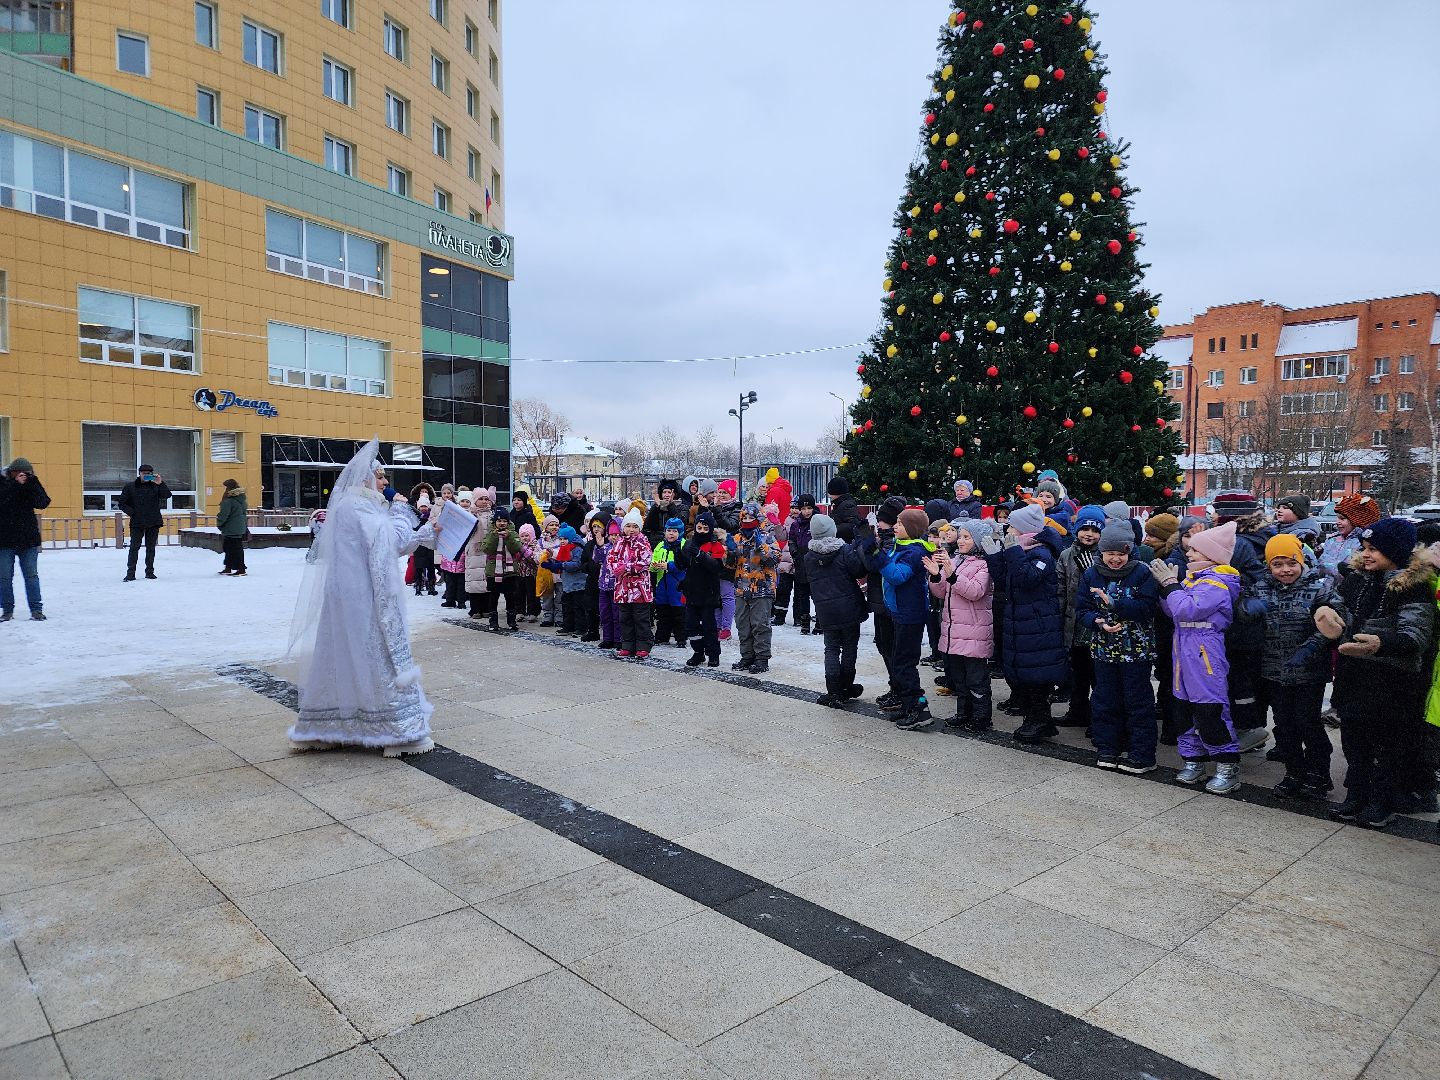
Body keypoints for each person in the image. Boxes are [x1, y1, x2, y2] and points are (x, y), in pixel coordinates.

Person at [287, 439, 436, 757]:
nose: (385, 483)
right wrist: (402, 514)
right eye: (381, 476)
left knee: (341, 656)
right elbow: (385, 545)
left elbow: (386, 546)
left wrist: (416, 534)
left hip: (349, 597)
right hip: (366, 600)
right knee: (376, 656)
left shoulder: (347, 505)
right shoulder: (359, 505)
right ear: (365, 478)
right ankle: (395, 728)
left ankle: (331, 724)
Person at [1324, 517, 1435, 829]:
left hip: (1391, 683)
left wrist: (1380, 643)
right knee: (1354, 742)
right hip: (1354, 677)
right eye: (1365, 547)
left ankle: (1382, 800)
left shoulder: (1413, 587)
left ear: (1395, 552)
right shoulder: (1358, 579)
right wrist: (1325, 616)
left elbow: (1416, 636)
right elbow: (1336, 608)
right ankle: (1356, 794)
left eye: (1375, 549)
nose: (1367, 554)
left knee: (1387, 746)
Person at [1238, 533, 1337, 800]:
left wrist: (1310, 649)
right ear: (1269, 566)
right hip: (1273, 670)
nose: (1285, 570)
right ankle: (1294, 771)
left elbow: (1332, 625)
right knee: (1284, 724)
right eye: (1277, 564)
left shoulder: (1319, 587)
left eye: (1291, 563)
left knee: (1307, 722)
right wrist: (1247, 608)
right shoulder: (1260, 587)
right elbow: (1244, 614)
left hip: (1308, 671)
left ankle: (1318, 773)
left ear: (1301, 562)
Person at [1151, 521, 1243, 794]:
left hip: (1204, 654)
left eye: (1195, 551)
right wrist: (1167, 589)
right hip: (1183, 651)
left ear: (1212, 556)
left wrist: (1170, 585)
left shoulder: (1217, 583)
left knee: (1210, 710)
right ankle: (1194, 760)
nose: (1188, 554)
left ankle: (1227, 765)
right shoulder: (1195, 580)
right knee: (1183, 709)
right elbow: (1172, 610)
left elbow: (1186, 610)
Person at [1076, 522, 1161, 772]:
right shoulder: (1091, 574)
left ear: (1129, 551)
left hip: (1136, 650)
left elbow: (1148, 607)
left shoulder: (1142, 573)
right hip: (1104, 650)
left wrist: (1115, 604)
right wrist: (1097, 622)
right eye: (1110, 553)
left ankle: (1142, 754)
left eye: (1121, 554)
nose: (1115, 559)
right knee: (1105, 700)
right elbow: (1082, 609)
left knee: (1138, 702)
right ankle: (1107, 748)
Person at [987, 502, 1068, 743]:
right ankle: (1034, 718)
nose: (1008, 529)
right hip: (1021, 622)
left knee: (1037, 675)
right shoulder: (1021, 549)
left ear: (1024, 529)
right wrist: (994, 556)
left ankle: (1041, 720)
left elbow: (1028, 579)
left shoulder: (1041, 552)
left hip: (1037, 623)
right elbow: (1004, 580)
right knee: (1026, 673)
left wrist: (1012, 552)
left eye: (1012, 525)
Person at [1209, 490, 1275, 753]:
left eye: (1216, 513)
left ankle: (1248, 729)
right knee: (1248, 679)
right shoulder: (1262, 537)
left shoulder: (1236, 543)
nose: (1212, 517)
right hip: (1251, 620)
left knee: (1239, 679)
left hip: (1239, 620)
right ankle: (1253, 728)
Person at [866, 506, 935, 730]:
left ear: (912, 529)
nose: (895, 526)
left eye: (900, 524)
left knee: (905, 664)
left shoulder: (914, 552)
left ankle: (919, 709)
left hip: (910, 614)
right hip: (899, 612)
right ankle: (908, 706)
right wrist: (875, 550)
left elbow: (897, 576)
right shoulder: (902, 546)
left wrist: (879, 556)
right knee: (899, 661)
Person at [927, 517, 994, 731]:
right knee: (960, 678)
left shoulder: (984, 565)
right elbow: (941, 592)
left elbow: (975, 592)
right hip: (953, 629)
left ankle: (981, 716)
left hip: (974, 630)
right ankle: (963, 713)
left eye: (967, 537)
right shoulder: (956, 560)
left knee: (976, 678)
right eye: (961, 537)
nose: (961, 541)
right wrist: (936, 576)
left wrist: (951, 573)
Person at [805, 512, 868, 707]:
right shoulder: (844, 550)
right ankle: (846, 687)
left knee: (831, 649)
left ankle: (833, 691)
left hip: (825, 609)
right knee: (850, 647)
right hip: (849, 607)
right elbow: (859, 570)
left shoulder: (809, 557)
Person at [1056, 505, 1105, 727]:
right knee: (1078, 671)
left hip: (1095, 624)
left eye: (1095, 530)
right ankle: (1077, 710)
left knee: (1097, 674)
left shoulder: (1105, 555)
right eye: (1085, 528)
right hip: (1073, 623)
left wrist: (1091, 574)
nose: (1089, 534)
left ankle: (1098, 716)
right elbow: (1060, 589)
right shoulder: (1067, 555)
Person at [727, 502, 781, 673]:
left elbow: (774, 559)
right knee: (743, 625)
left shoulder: (767, 537)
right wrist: (729, 553)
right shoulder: (737, 538)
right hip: (741, 589)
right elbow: (729, 566)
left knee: (760, 625)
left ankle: (762, 658)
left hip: (762, 589)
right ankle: (747, 656)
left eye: (751, 517)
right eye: (745, 517)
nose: (748, 520)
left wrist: (761, 546)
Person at [0, 457, 50, 622]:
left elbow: (43, 502)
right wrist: (15, 485)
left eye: (27, 473)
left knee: (31, 576)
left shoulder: (31, 483)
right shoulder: (3, 483)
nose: (24, 476)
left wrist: (32, 483)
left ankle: (36, 610)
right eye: (20, 473)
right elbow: (3, 502)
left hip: (27, 539)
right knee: (5, 577)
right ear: (12, 472)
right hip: (5, 539)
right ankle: (7, 610)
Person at [678, 511, 724, 667]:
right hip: (692, 591)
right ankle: (698, 652)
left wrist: (700, 555)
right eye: (699, 527)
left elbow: (716, 567)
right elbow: (682, 565)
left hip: (708, 592)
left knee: (709, 626)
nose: (702, 531)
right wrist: (678, 552)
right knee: (691, 625)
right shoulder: (690, 543)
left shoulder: (715, 545)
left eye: (705, 528)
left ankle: (713, 653)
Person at [608, 507, 655, 658]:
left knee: (640, 618)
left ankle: (643, 645)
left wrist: (626, 567)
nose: (631, 530)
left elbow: (646, 562)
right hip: (623, 589)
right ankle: (627, 644)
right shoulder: (619, 543)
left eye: (635, 527)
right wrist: (616, 568)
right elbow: (611, 560)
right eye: (628, 526)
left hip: (640, 589)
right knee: (625, 618)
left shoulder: (643, 542)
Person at [119, 463, 172, 581]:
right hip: (137, 522)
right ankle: (130, 574)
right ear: (139, 474)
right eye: (144, 473)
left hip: (153, 522)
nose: (147, 476)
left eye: (149, 474)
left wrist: (161, 483)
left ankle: (150, 572)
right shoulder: (130, 487)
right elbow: (122, 503)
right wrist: (133, 513)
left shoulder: (156, 486)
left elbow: (167, 495)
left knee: (151, 548)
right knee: (134, 548)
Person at [480, 507, 526, 631]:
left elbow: (517, 548)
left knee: (510, 596)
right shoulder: (490, 534)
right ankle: (493, 622)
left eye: (505, 521)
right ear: (495, 522)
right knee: (493, 597)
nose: (502, 523)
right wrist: (495, 537)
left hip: (510, 571)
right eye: (499, 521)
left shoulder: (513, 533)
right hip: (494, 571)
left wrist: (508, 537)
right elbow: (487, 549)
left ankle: (511, 621)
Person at [1320, 492, 1380, 584]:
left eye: (1342, 518)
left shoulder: (1365, 543)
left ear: (1358, 520)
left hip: (1350, 591)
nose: (1337, 522)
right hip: (1326, 590)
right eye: (1337, 518)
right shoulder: (1332, 539)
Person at [651, 517, 688, 647]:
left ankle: (681, 638)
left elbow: (684, 565)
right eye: (668, 530)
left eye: (674, 531)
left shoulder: (684, 545)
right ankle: (662, 637)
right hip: (662, 584)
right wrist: (654, 565)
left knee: (678, 614)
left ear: (680, 533)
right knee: (662, 613)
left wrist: (669, 566)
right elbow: (653, 560)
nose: (671, 534)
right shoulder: (660, 545)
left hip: (678, 585)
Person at [463, 487, 495, 620]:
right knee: (474, 580)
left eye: (486, 499)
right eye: (480, 499)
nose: (483, 501)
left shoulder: (492, 515)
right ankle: (475, 608)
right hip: (474, 551)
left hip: (488, 551)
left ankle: (486, 608)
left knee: (486, 579)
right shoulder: (469, 514)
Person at [438, 489, 472, 609]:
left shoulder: (472, 516)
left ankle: (461, 601)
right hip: (451, 550)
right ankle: (450, 599)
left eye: (467, 501)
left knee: (461, 580)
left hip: (463, 552)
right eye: (462, 501)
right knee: (450, 579)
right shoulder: (453, 514)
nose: (464, 503)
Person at [215, 478, 249, 576]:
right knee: (234, 548)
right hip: (239, 527)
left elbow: (224, 515)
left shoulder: (228, 501)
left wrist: (220, 523)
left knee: (232, 548)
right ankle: (229, 567)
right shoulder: (241, 499)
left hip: (231, 528)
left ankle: (240, 568)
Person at [408, 487, 437, 595]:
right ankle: (418, 586)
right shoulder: (415, 519)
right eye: (422, 506)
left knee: (430, 567)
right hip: (419, 546)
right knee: (418, 568)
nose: (424, 508)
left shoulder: (431, 518)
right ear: (418, 507)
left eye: (425, 506)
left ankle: (431, 587)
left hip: (429, 546)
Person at [644, 479, 685, 546]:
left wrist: (671, 505)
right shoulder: (656, 507)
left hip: (675, 543)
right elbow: (649, 525)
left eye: (669, 492)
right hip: (657, 544)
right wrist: (656, 506)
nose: (667, 495)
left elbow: (680, 523)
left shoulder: (682, 507)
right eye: (664, 492)